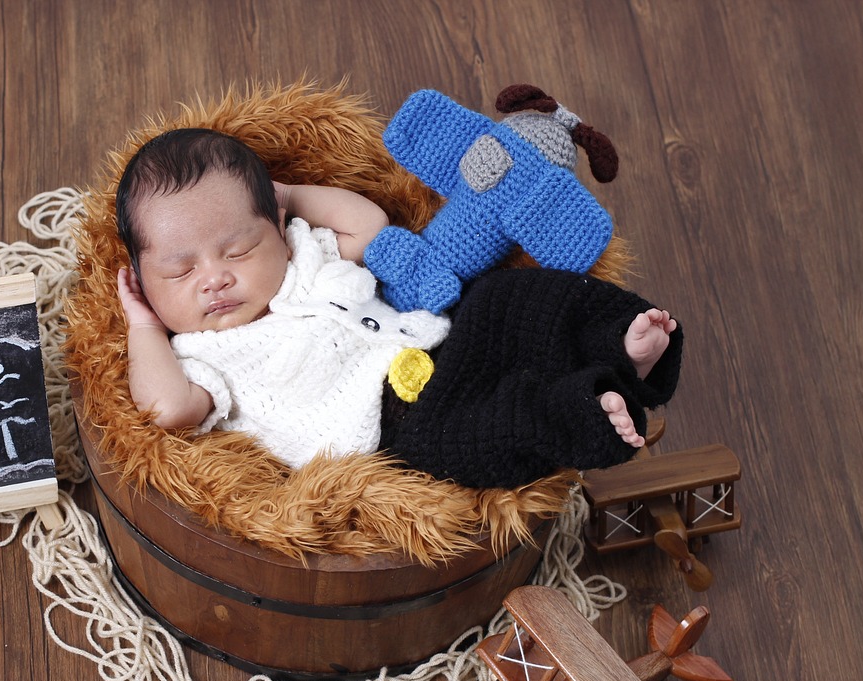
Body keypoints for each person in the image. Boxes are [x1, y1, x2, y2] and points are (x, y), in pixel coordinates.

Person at [114, 127, 682, 488]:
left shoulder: (301, 252)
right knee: (494, 424)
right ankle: (586, 412)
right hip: (393, 433)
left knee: (506, 300)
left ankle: (621, 342)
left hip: (433, 340)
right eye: (179, 271)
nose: (215, 279)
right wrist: (142, 324)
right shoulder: (199, 354)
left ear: (277, 230)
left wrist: (288, 195)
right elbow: (167, 409)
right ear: (143, 280)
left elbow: (369, 225)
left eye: (238, 249)